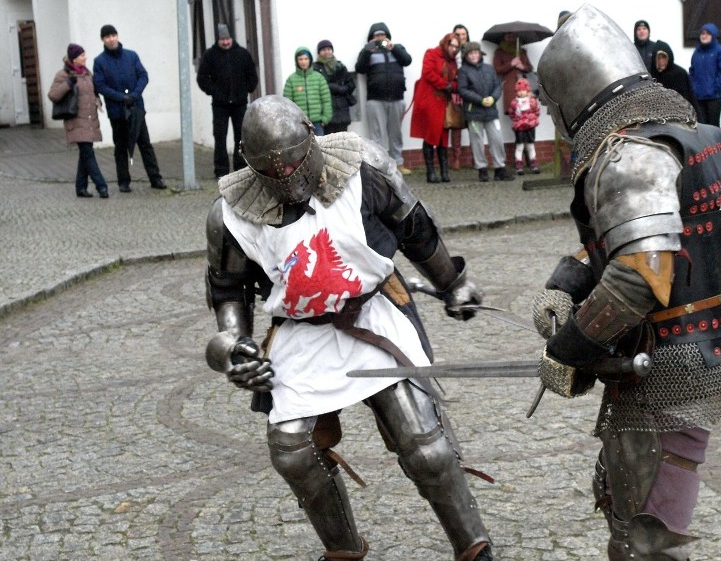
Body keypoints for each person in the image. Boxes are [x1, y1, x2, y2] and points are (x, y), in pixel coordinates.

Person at [203, 95, 500, 561]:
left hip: (374, 312)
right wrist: (235, 344)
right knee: (292, 450)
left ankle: (473, 547)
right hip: (302, 331)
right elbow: (227, 289)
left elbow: (415, 227)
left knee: (425, 446)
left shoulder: (362, 166)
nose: (287, 176)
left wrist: (453, 282)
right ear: (249, 162)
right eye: (272, 171)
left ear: (310, 136)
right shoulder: (230, 215)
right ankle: (343, 551)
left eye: (295, 163)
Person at [536, 4, 721, 559]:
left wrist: (568, 350)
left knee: (645, 539)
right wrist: (565, 283)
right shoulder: (684, 133)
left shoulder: (628, 155)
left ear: (572, 94)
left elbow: (639, 275)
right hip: (702, 348)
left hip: (666, 363)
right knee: (638, 519)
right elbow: (641, 238)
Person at [93, 24, 166, 192]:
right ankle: (123, 181)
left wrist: (135, 94)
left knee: (145, 144)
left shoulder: (131, 56)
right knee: (120, 147)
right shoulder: (100, 61)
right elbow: (101, 85)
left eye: (113, 35)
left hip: (136, 109)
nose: (111, 39)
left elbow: (143, 75)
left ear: (117, 36)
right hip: (117, 111)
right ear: (103, 40)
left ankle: (155, 178)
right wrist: (121, 98)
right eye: (107, 37)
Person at [196, 23, 259, 179]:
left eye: (227, 39)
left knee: (241, 137)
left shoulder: (243, 54)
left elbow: (252, 76)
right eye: (222, 39)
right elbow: (202, 78)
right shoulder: (210, 55)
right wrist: (214, 92)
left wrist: (246, 89)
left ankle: (241, 167)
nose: (225, 42)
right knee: (220, 137)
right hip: (220, 105)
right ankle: (221, 170)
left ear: (232, 38)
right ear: (218, 40)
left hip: (239, 104)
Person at [48, 43, 110, 199]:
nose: (85, 57)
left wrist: (97, 101)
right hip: (75, 122)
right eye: (82, 55)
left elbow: (92, 93)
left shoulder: (87, 74)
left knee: (85, 155)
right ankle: (101, 186)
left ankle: (80, 188)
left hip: (89, 120)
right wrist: (68, 84)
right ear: (74, 59)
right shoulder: (63, 75)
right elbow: (53, 95)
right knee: (88, 154)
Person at [355, 23, 413, 174]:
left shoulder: (397, 48)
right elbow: (359, 68)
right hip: (375, 100)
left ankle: (398, 164)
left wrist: (393, 47)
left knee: (396, 134)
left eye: (382, 35)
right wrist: (368, 51)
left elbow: (407, 60)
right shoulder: (367, 51)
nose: (380, 38)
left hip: (396, 98)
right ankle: (379, 167)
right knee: (377, 135)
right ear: (371, 38)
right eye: (376, 36)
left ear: (387, 36)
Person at [457, 42, 513, 182]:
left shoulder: (489, 69)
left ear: (480, 54)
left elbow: (497, 86)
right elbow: (463, 90)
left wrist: (492, 98)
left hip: (490, 110)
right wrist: (480, 100)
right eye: (470, 53)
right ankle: (482, 169)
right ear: (466, 56)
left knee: (497, 139)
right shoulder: (463, 71)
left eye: (476, 52)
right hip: (474, 111)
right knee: (477, 141)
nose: (474, 55)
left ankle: (500, 168)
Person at [410, 33, 460, 184]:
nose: (454, 49)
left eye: (457, 47)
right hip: (430, 100)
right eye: (452, 45)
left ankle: (444, 172)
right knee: (430, 136)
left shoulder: (453, 62)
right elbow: (428, 73)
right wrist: (445, 85)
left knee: (443, 138)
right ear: (446, 43)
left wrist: (453, 86)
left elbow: (455, 81)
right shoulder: (431, 54)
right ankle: (430, 172)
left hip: (443, 102)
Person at [283, 46, 332, 136]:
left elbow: (326, 100)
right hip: (300, 123)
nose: (303, 62)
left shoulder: (319, 78)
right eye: (300, 59)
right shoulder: (291, 80)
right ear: (296, 61)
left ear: (310, 60)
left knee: (318, 148)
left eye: (306, 59)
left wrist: (325, 119)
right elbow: (287, 103)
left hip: (318, 123)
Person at [688, 23, 721, 127]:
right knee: (702, 127)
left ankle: (716, 144)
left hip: (714, 97)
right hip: (698, 97)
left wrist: (714, 87)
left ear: (713, 36)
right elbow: (692, 71)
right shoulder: (696, 52)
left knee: (713, 127)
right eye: (702, 33)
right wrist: (693, 87)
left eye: (707, 33)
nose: (704, 36)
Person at [313, 39, 357, 135]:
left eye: (329, 49)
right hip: (327, 109)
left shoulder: (340, 66)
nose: (326, 52)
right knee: (329, 141)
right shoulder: (315, 68)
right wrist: (332, 87)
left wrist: (342, 89)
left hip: (342, 109)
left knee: (343, 139)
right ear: (319, 52)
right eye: (323, 50)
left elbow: (351, 84)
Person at [492, 33, 533, 116]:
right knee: (515, 113)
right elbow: (496, 69)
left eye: (514, 36)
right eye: (508, 36)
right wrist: (511, 64)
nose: (511, 38)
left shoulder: (522, 51)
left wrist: (523, 67)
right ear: (504, 37)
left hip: (524, 87)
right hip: (510, 87)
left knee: (528, 114)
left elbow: (530, 68)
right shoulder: (500, 52)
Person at [651, 40, 698, 110]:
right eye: (658, 58)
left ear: (668, 57)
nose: (661, 61)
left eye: (663, 57)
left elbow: (689, 98)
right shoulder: (651, 75)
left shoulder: (680, 73)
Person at [508, 77, 541, 175]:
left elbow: (537, 111)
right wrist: (517, 120)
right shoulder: (515, 103)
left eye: (523, 90)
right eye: (519, 90)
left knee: (530, 145)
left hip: (530, 126)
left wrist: (532, 119)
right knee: (520, 146)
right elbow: (512, 113)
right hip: (520, 127)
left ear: (527, 90)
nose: (521, 92)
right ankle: (519, 164)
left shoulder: (532, 101)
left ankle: (534, 163)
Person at [449, 24, 470, 170]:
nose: (461, 37)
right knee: (456, 124)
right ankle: (456, 157)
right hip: (456, 90)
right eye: (458, 34)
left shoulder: (472, 50)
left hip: (471, 89)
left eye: (463, 34)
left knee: (474, 122)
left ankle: (477, 158)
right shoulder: (451, 51)